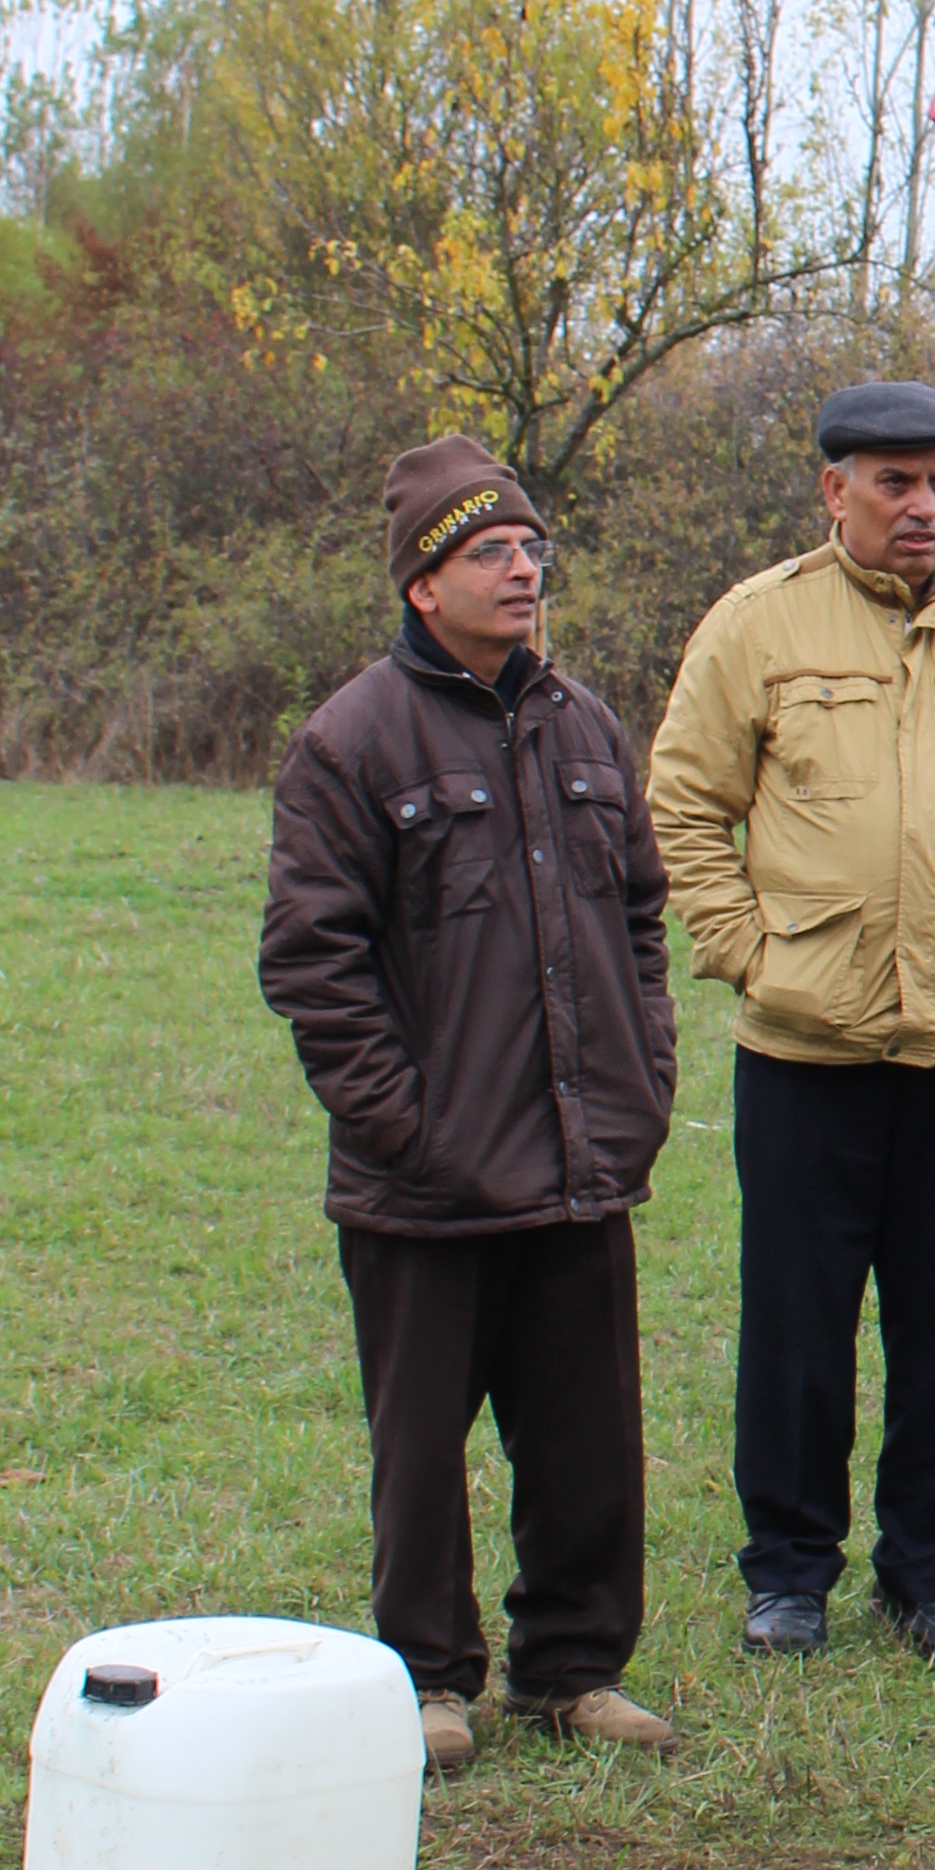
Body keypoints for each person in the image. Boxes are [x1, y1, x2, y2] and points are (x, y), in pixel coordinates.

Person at [648, 380, 935, 1668]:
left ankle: (930, 1579)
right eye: (897, 482)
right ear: (834, 488)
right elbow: (684, 805)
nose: (925, 506)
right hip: (808, 1047)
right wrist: (748, 953)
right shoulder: (758, 623)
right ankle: (787, 1574)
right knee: (797, 1320)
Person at [256, 439, 678, 1776]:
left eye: (531, 549)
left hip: (578, 1157)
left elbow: (643, 916)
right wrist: (405, 1126)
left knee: (588, 1438)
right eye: (488, 551)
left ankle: (575, 1669)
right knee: (420, 1451)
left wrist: (643, 1075)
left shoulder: (587, 723)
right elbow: (312, 962)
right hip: (426, 1183)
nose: (521, 570)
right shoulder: (350, 741)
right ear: (422, 584)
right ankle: (432, 1682)